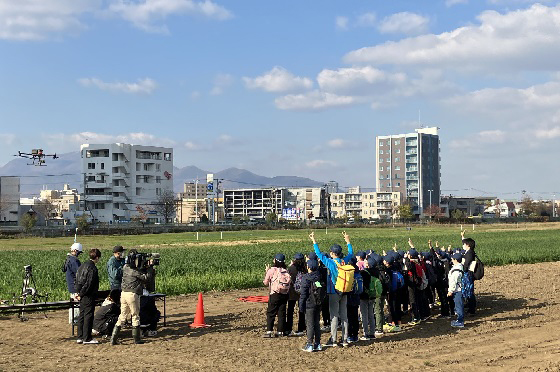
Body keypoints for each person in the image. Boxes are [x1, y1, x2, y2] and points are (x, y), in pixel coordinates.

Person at [310, 230, 354, 348]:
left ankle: (334, 340)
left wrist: (314, 240)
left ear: (333, 253)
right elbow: (351, 252)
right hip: (345, 290)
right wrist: (347, 240)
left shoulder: (330, 262)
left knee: (334, 316)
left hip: (334, 291)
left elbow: (318, 254)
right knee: (344, 316)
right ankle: (345, 340)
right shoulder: (345, 261)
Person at [111, 250, 155, 345]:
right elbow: (146, 278)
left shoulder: (125, 267)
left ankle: (113, 339)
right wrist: (150, 267)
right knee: (135, 316)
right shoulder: (134, 271)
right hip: (132, 294)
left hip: (123, 294)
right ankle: (136, 339)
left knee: (122, 316)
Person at [74, 248, 102, 344]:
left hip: (81, 294)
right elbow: (89, 284)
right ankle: (87, 338)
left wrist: (78, 293)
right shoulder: (92, 268)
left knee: (82, 315)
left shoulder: (82, 265)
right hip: (88, 295)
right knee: (88, 315)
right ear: (97, 257)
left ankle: (80, 336)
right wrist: (82, 294)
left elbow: (77, 279)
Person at [298, 259, 325, 352]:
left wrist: (301, 306)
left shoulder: (306, 278)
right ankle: (318, 343)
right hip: (318, 303)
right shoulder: (319, 276)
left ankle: (309, 344)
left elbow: (303, 293)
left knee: (309, 324)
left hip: (309, 303)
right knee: (316, 323)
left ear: (308, 267)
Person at [262, 253, 291, 338]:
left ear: (275, 260)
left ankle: (269, 331)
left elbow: (265, 282)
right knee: (282, 312)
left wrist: (266, 271)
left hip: (274, 293)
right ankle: (280, 331)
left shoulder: (272, 270)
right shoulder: (286, 270)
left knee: (271, 312)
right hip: (284, 293)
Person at [286, 253, 306, 336]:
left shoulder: (291, 268)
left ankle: (288, 329)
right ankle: (301, 328)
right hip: (302, 292)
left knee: (290, 311)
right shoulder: (305, 268)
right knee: (301, 310)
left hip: (292, 292)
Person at [63, 242, 82, 324]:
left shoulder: (68, 259)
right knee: (76, 304)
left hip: (71, 285)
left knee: (73, 303)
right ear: (75, 251)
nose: (79, 254)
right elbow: (79, 273)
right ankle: (75, 320)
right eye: (79, 252)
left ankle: (72, 319)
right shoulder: (74, 261)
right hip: (75, 286)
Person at [461, 230, 477, 315]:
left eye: (464, 244)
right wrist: (463, 236)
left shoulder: (469, 253)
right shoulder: (469, 251)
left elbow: (466, 265)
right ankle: (470, 306)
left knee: (469, 291)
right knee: (468, 291)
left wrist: (461, 269)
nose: (463, 245)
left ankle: (472, 309)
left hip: (468, 274)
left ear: (468, 245)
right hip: (468, 274)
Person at [448, 252, 465, 328]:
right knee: (458, 305)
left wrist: (450, 291)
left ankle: (460, 321)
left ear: (455, 260)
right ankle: (459, 320)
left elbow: (453, 281)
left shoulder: (456, 270)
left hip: (457, 290)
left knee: (459, 306)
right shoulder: (460, 266)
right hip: (459, 289)